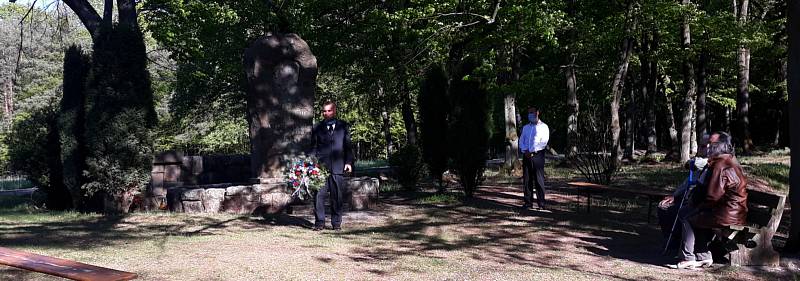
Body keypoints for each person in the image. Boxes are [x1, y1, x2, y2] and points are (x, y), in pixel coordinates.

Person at [673, 131, 747, 269]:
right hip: (732, 211)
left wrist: (698, 207)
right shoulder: (727, 160)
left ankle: (687, 258)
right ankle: (703, 256)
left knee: (688, 217)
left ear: (721, 146)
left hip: (727, 213)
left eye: (711, 144)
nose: (708, 147)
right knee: (695, 216)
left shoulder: (721, 165)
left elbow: (713, 196)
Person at [658, 134, 710, 251]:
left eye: (704, 145)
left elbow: (692, 163)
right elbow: (686, 183)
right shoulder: (702, 162)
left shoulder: (709, 162)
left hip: (699, 202)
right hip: (689, 198)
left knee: (680, 212)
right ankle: (671, 238)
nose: (701, 148)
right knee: (663, 206)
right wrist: (674, 196)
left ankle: (677, 241)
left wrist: (692, 161)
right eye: (701, 145)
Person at [311, 100, 354, 231]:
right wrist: (313, 163)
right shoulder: (317, 127)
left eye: (329, 110)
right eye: (324, 111)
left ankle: (336, 224)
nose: (326, 113)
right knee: (319, 196)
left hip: (338, 167)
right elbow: (313, 147)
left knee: (337, 196)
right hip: (321, 168)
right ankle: (319, 223)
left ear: (334, 111)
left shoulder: (343, 126)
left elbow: (348, 146)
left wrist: (348, 162)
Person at [518, 106, 550, 210]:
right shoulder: (526, 128)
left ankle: (541, 203)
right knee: (527, 180)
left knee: (538, 180)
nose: (530, 115)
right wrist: (525, 150)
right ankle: (528, 202)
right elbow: (521, 140)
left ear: (537, 113)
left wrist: (532, 150)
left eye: (532, 112)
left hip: (538, 156)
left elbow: (544, 142)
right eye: (529, 113)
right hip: (526, 156)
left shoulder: (544, 127)